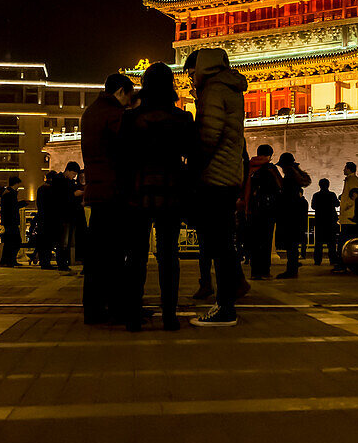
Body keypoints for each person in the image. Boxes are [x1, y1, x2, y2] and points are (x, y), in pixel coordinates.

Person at [118, 62, 193, 332]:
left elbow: (121, 157)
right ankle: (170, 315)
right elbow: (191, 153)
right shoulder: (182, 119)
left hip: (137, 191)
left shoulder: (130, 119)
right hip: (171, 191)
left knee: (136, 255)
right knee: (169, 254)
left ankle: (133, 316)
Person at [187, 48, 248, 327]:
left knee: (219, 244)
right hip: (230, 175)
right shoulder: (232, 88)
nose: (189, 79)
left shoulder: (213, 90)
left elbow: (209, 136)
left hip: (215, 177)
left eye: (191, 72)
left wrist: (193, 168)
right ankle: (230, 295)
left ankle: (225, 308)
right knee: (224, 243)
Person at [80, 72, 134, 324]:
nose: (129, 102)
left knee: (96, 255)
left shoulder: (90, 112)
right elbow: (125, 149)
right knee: (114, 254)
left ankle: (92, 308)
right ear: (121, 91)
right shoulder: (114, 114)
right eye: (129, 97)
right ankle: (115, 308)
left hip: (96, 190)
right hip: (113, 190)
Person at [241, 144, 282, 281]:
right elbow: (279, 186)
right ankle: (264, 271)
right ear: (269, 155)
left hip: (251, 209)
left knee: (254, 242)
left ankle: (255, 271)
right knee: (266, 241)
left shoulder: (249, 166)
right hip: (267, 209)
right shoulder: (270, 168)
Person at [274, 153, 312, 279]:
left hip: (290, 213)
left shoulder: (289, 176)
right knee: (293, 242)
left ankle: (291, 269)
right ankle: (293, 266)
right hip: (297, 213)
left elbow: (284, 194)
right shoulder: (297, 176)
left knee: (291, 242)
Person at [334, 162, 358, 273]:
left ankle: (342, 264)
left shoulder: (353, 180)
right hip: (347, 217)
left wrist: (347, 207)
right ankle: (343, 264)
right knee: (344, 240)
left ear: (349, 169)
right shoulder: (351, 180)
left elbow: (355, 195)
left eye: (345, 168)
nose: (343, 170)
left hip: (349, 217)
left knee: (344, 241)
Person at [34, 171, 61, 270]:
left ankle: (43, 261)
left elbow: (39, 204)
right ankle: (46, 262)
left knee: (43, 242)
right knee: (49, 242)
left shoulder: (40, 188)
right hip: (50, 219)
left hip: (42, 218)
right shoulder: (51, 189)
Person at [0, 176, 27, 267]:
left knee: (10, 242)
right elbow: (12, 207)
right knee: (15, 241)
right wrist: (22, 203)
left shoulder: (8, 192)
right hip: (11, 221)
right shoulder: (10, 194)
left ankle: (8, 261)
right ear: (16, 183)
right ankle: (9, 261)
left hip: (8, 221)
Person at [311, 178, 340, 267]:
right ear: (328, 185)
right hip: (330, 221)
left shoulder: (316, 195)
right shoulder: (332, 195)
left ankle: (317, 260)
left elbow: (313, 206)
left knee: (318, 243)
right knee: (331, 242)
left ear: (319, 185)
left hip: (320, 221)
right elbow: (337, 204)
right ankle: (333, 259)